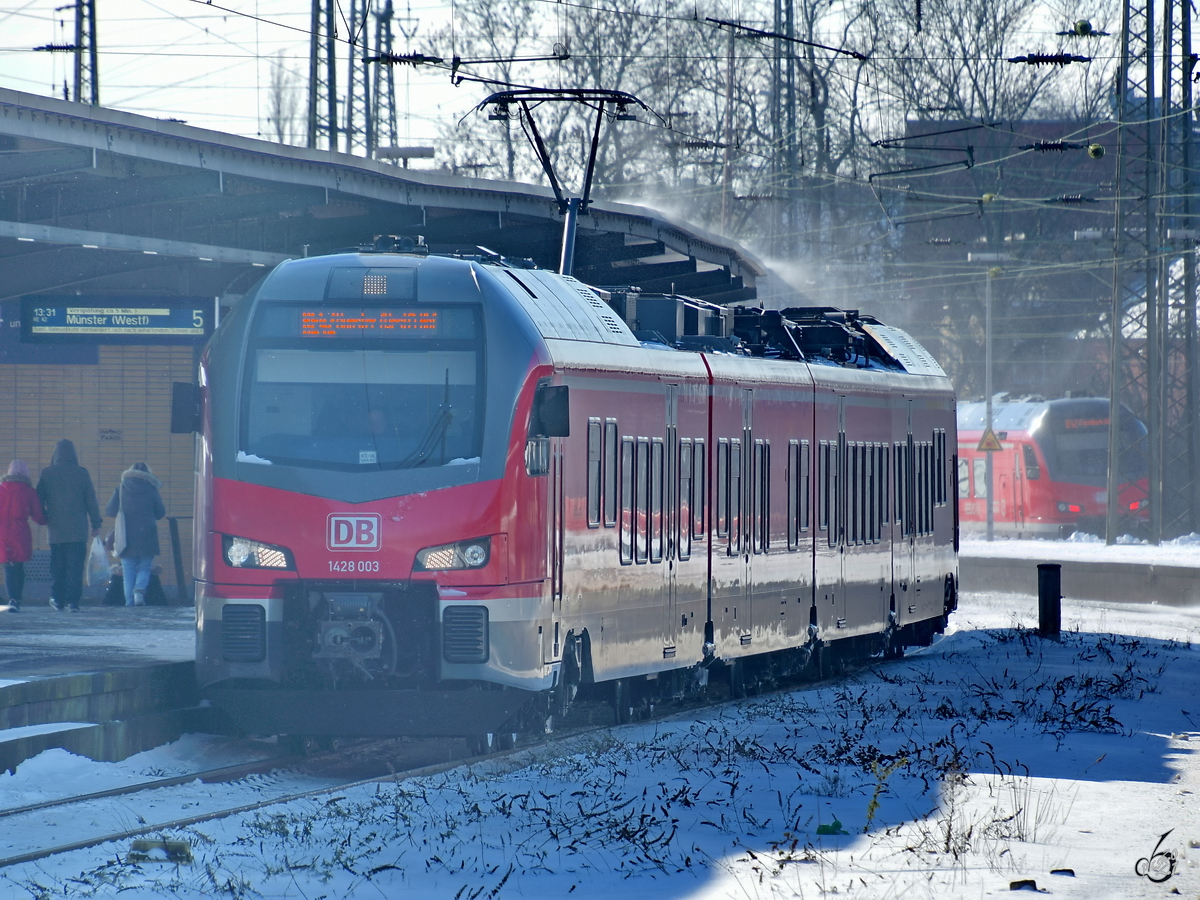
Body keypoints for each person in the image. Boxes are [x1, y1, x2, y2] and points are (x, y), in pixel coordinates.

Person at [36, 439, 101, 612]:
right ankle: (73, 602)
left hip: (56, 530)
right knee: (75, 567)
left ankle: (58, 599)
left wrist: (44, 516)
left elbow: (38, 498)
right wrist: (96, 523)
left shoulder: (47, 473)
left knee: (58, 567)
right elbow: (91, 501)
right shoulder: (82, 473)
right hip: (78, 530)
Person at [105, 462, 166, 607]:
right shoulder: (152, 489)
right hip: (147, 533)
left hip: (126, 534)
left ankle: (130, 603)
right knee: (145, 566)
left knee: (128, 570)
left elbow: (110, 511)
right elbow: (160, 513)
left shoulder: (121, 488)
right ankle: (139, 590)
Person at [0, 460, 46, 612]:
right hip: (20, 531)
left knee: (7, 565)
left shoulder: (1, 489)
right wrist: (48, 520)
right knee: (18, 566)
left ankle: (11, 599)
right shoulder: (28, 491)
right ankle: (15, 599)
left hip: (2, 531)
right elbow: (38, 516)